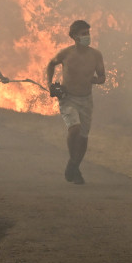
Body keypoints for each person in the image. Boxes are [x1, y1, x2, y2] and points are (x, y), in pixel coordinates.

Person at [44, 19, 105, 184]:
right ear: (74, 36)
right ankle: (73, 161)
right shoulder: (66, 53)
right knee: (74, 129)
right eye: (83, 33)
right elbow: (51, 64)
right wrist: (50, 84)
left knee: (84, 136)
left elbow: (102, 76)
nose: (87, 36)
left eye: (88, 33)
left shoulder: (96, 55)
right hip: (68, 98)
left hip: (86, 99)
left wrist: (96, 80)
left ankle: (74, 166)